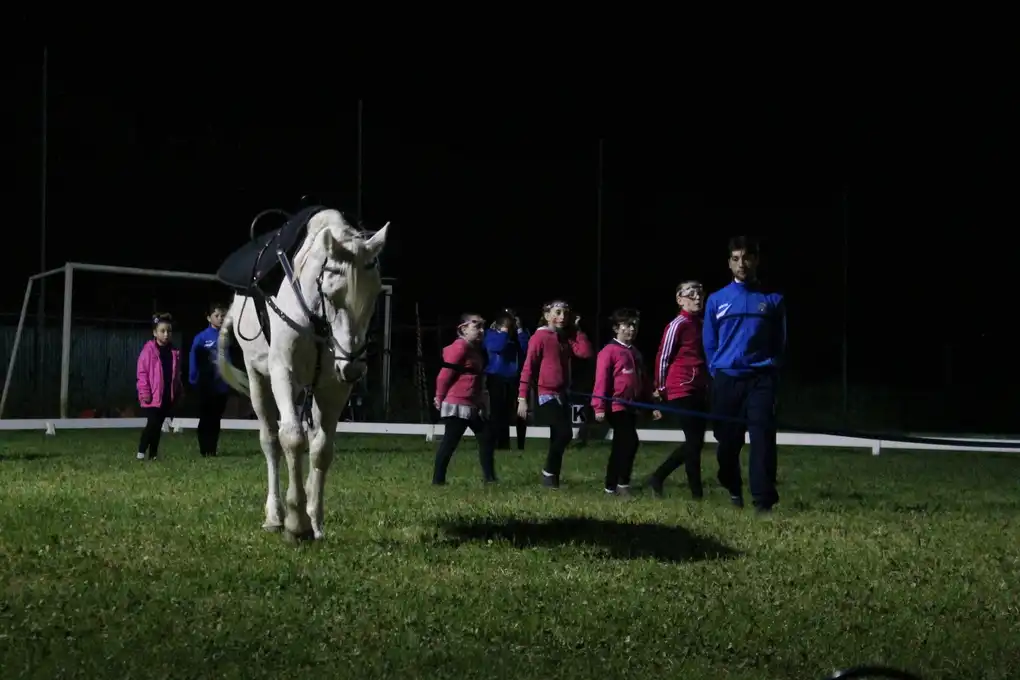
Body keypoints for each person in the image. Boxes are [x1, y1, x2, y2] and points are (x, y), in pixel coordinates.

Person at [703, 236, 787, 513]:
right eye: (736, 258)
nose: (742, 264)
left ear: (756, 261)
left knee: (762, 436)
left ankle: (763, 502)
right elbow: (710, 342)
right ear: (729, 263)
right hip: (727, 379)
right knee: (727, 443)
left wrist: (771, 368)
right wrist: (717, 371)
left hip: (760, 380)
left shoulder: (773, 299)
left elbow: (780, 340)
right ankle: (731, 483)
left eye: (747, 258)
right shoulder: (717, 300)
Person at [517, 300, 594, 489]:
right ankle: (548, 472)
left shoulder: (564, 337)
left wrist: (576, 329)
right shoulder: (540, 337)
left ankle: (552, 480)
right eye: (557, 312)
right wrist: (522, 398)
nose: (562, 317)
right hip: (546, 394)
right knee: (565, 433)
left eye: (565, 314)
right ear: (546, 315)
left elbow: (585, 353)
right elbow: (528, 367)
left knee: (557, 437)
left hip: (562, 393)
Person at [646, 281, 710, 499]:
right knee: (693, 441)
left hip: (699, 387)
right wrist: (661, 387)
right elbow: (663, 356)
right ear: (680, 299)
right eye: (691, 295)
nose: (697, 298)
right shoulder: (678, 324)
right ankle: (659, 477)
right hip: (680, 387)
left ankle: (695, 495)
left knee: (696, 442)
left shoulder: (701, 323)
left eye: (700, 294)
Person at [592, 308, 661, 496]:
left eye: (634, 326)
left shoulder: (636, 353)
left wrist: (652, 404)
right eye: (627, 325)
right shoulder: (609, 351)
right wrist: (598, 407)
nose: (631, 329)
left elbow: (643, 381)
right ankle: (615, 485)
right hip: (615, 405)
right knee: (629, 441)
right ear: (616, 328)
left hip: (632, 407)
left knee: (623, 445)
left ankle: (618, 485)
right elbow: (601, 380)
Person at [432, 313, 497, 485]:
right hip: (457, 403)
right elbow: (444, 375)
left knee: (487, 437)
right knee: (450, 442)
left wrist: (481, 401)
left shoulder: (475, 350)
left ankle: (490, 478)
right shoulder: (460, 347)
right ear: (463, 329)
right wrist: (439, 396)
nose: (482, 331)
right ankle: (437, 481)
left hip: (472, 403)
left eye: (483, 326)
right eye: (477, 326)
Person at [136, 313, 183, 461]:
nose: (166, 334)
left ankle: (153, 455)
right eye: (162, 331)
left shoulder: (174, 352)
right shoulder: (148, 351)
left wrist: (178, 391)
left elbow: (176, 375)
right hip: (151, 397)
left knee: (158, 427)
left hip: (166, 397)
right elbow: (142, 374)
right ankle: (141, 452)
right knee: (152, 425)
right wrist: (145, 393)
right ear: (155, 333)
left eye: (168, 331)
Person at [483, 308, 530, 451]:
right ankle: (501, 446)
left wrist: (520, 330)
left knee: (519, 412)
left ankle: (521, 445)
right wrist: (503, 331)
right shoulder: (490, 334)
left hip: (515, 377)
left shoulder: (518, 335)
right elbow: (497, 347)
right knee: (498, 412)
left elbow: (527, 350)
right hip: (496, 376)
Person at [189, 302, 230, 457]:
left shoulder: (225, 337)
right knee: (205, 418)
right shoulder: (201, 338)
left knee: (216, 419)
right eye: (217, 316)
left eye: (223, 316)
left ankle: (212, 449)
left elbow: (228, 360)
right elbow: (193, 359)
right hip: (206, 386)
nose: (220, 319)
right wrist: (193, 379)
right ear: (208, 318)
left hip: (221, 386)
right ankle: (204, 449)